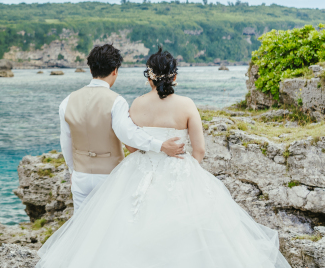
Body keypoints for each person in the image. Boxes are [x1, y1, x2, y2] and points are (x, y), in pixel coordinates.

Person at [36, 48, 291, 268]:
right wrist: (190, 169)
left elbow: (132, 145)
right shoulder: (187, 104)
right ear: (175, 76)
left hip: (137, 171)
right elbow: (199, 149)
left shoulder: (135, 104)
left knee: (119, 229)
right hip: (179, 169)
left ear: (149, 77)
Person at [59, 44, 185, 213]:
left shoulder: (67, 101)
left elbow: (66, 141)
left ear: (90, 70)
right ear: (115, 71)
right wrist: (160, 145)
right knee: (108, 228)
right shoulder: (116, 101)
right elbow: (128, 134)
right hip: (109, 177)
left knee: (81, 228)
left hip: (81, 175)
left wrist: (73, 171)